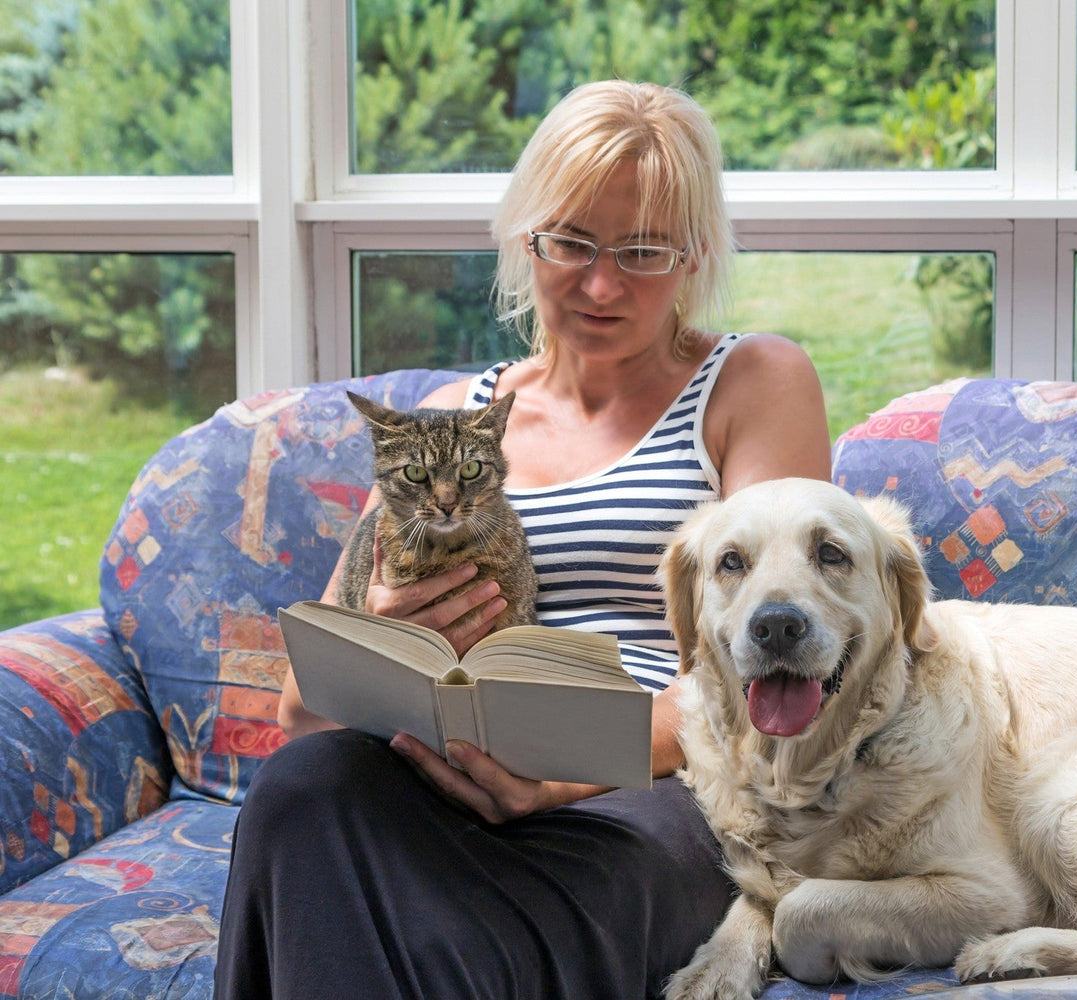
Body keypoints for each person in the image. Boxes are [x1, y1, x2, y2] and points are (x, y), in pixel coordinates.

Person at [215, 80, 832, 999]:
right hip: (452, 774)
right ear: (524, 236)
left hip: (657, 790)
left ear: (695, 254)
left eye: (643, 250)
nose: (601, 283)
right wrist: (386, 631)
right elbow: (300, 707)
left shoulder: (754, 382)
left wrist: (561, 780)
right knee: (304, 790)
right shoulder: (446, 432)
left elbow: (781, 667)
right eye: (573, 242)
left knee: (439, 929)